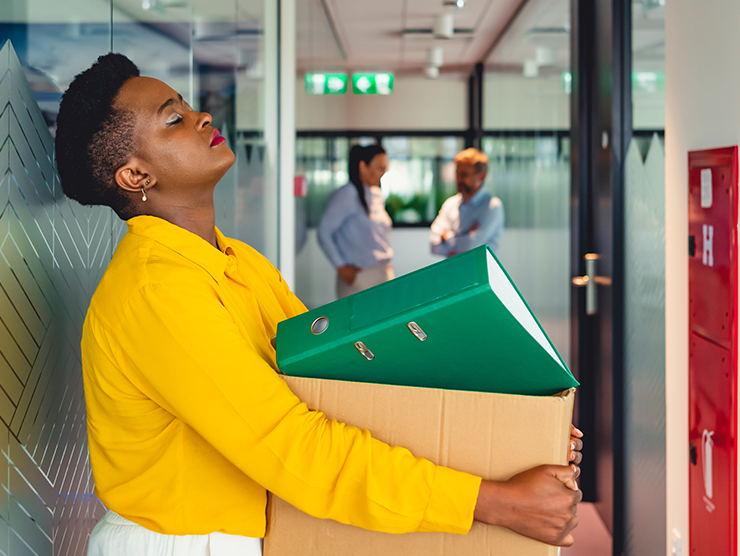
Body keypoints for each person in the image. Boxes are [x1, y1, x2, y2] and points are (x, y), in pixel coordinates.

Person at [54, 53, 582, 556]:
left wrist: (512, 424)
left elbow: (334, 379)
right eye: (174, 119)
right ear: (135, 176)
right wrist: (496, 502)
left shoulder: (236, 260)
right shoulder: (156, 292)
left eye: (187, 106)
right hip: (185, 543)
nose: (202, 116)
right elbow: (294, 446)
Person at [317, 144, 394, 298]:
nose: (383, 173)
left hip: (382, 273)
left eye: (385, 169)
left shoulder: (375, 194)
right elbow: (324, 231)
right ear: (362, 166)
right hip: (360, 278)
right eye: (379, 168)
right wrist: (341, 266)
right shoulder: (348, 195)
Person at [430, 148, 504, 257]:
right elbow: (433, 245)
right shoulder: (450, 204)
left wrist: (446, 236)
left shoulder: (492, 206)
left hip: (479, 273)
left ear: (481, 176)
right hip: (452, 272)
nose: (458, 180)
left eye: (464, 175)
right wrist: (466, 236)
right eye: (457, 174)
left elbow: (470, 245)